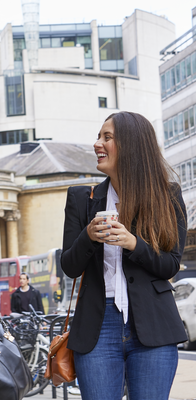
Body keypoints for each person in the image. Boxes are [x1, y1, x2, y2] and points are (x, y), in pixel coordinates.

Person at [61, 111, 187, 400]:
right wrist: (89, 237)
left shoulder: (167, 196)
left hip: (153, 327)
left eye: (107, 138)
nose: (97, 144)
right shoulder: (83, 199)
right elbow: (69, 266)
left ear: (132, 145)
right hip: (97, 327)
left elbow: (170, 265)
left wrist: (134, 243)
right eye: (98, 136)